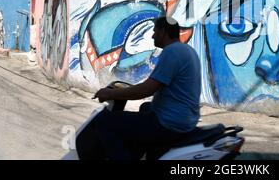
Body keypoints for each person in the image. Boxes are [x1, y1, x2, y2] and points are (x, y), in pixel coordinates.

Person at [76, 16, 201, 160]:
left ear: (163, 32)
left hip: (169, 123)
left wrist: (111, 94)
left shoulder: (171, 52)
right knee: (145, 107)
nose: (153, 36)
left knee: (104, 122)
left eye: (155, 31)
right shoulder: (187, 50)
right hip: (186, 119)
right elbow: (154, 85)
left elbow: (146, 90)